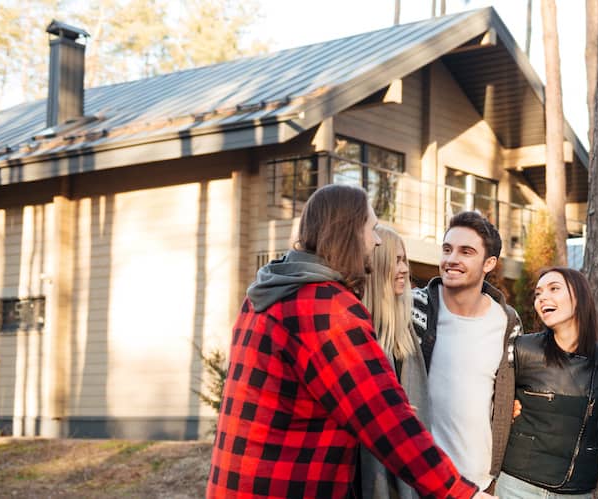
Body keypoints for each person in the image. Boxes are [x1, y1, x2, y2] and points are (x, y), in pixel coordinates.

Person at [207, 184, 489, 499]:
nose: (377, 240)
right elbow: (386, 420)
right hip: (282, 487)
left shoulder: (266, 294)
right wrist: (463, 493)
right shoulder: (327, 308)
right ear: (349, 233)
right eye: (371, 229)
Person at [412, 211, 523, 492]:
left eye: (466, 251)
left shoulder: (507, 322)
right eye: (447, 249)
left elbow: (510, 389)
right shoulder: (414, 309)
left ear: (489, 263)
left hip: (481, 484)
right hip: (421, 480)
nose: (452, 259)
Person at [496, 267, 598, 498]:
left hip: (577, 491)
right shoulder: (522, 349)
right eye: (538, 293)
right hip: (518, 487)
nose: (543, 298)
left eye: (554, 289)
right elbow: (494, 404)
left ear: (580, 297)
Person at [357, 225, 431, 499]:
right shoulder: (359, 333)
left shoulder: (409, 332)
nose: (403, 269)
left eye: (405, 260)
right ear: (376, 266)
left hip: (406, 468)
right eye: (395, 261)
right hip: (367, 472)